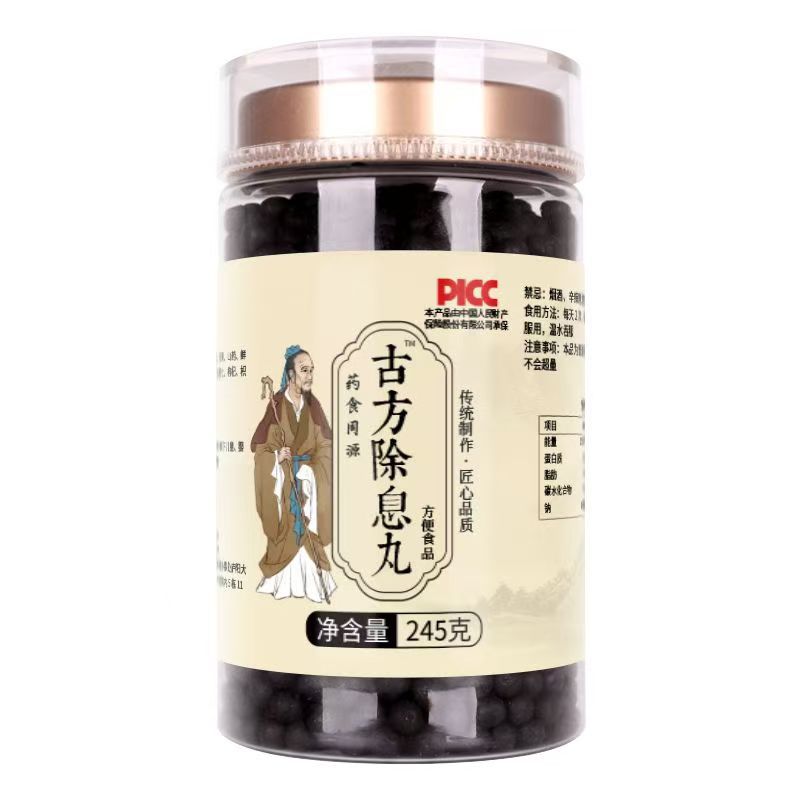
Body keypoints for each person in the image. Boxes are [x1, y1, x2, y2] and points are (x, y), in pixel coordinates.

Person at [250, 345, 336, 601]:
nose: (309, 376)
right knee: (285, 530)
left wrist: (312, 472)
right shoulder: (276, 406)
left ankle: (314, 586)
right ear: (290, 375)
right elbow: (262, 449)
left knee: (309, 533)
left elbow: (326, 446)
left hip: (308, 483)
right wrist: (277, 458)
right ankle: (281, 584)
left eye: (312, 370)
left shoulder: (313, 407)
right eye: (304, 370)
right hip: (284, 484)